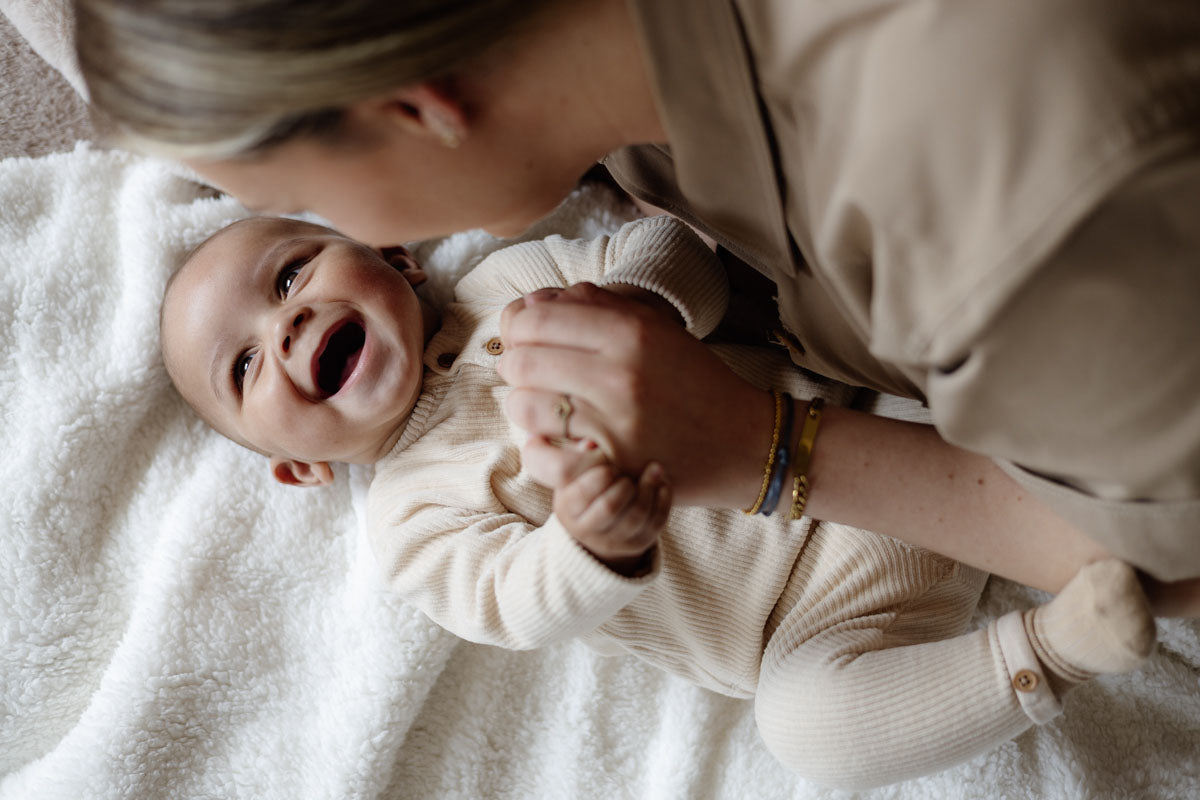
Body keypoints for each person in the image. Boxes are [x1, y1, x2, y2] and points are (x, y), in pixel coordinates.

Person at [74, 0, 1200, 591]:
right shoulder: (605, 108)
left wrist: (763, 446)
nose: (360, 247)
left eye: (297, 216)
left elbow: (1172, 554)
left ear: (416, 106)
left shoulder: (991, 207)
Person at [161, 213, 1156, 790]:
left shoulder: (515, 282)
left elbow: (671, 244)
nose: (286, 323)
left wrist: (636, 302)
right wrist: (590, 542)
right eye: (245, 363)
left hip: (872, 419)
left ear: (398, 259)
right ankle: (1056, 647)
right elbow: (514, 600)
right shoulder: (412, 519)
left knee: (930, 322)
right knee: (806, 730)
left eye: (291, 272)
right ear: (297, 469)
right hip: (820, 619)